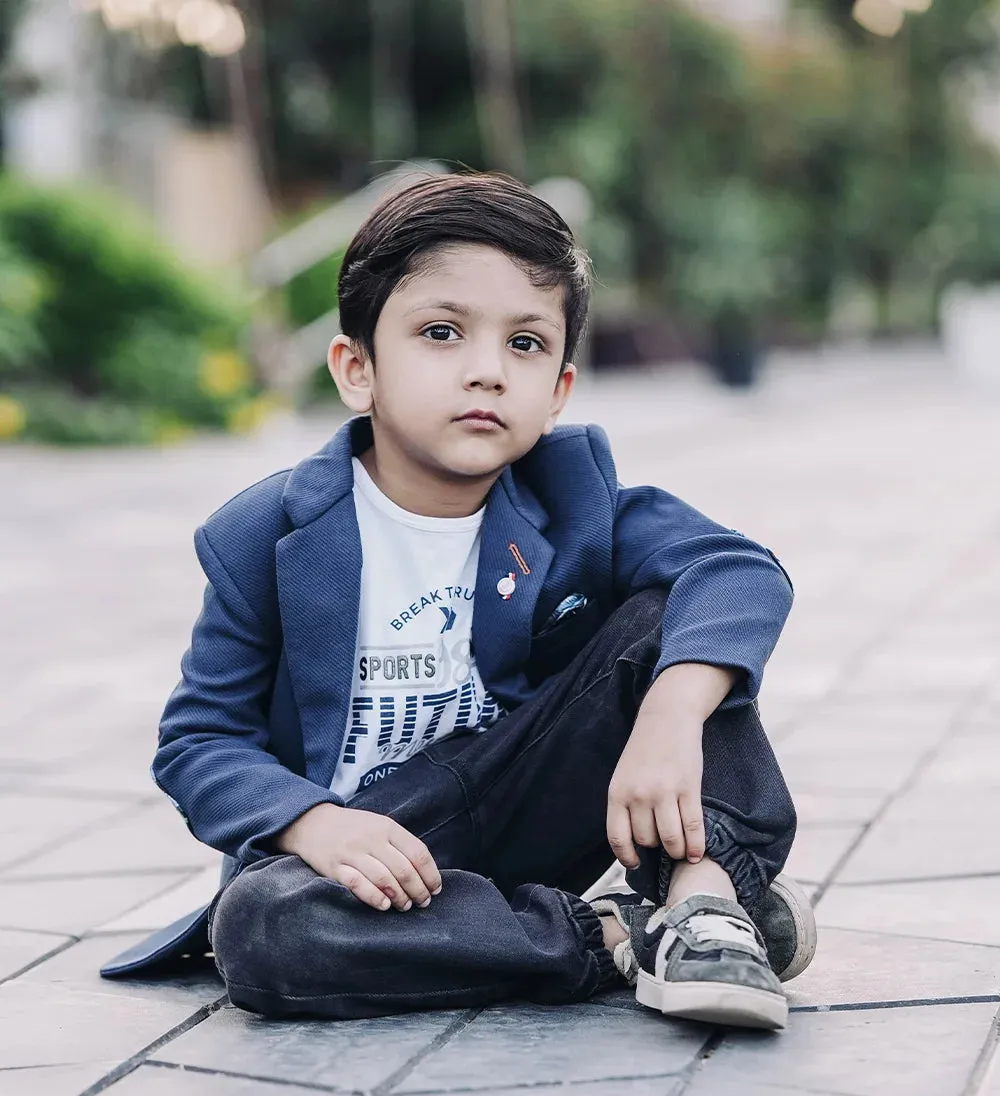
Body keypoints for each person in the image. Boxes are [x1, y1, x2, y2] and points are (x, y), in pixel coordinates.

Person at [103, 172, 815, 1032]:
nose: (487, 370)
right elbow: (199, 742)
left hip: (525, 792)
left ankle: (705, 900)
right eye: (442, 334)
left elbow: (741, 569)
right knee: (261, 927)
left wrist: (670, 707)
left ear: (558, 389)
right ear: (356, 369)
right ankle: (614, 936)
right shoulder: (264, 536)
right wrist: (312, 825)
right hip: (379, 843)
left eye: (525, 344)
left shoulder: (574, 493)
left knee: (675, 622)